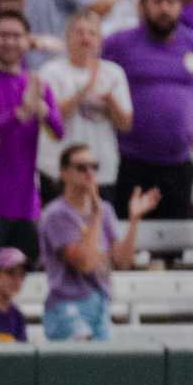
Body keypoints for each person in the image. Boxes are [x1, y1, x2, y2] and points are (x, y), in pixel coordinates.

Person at [105, 0, 193, 221]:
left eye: (171, 2)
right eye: (157, 1)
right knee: (130, 235)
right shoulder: (120, 43)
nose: (164, 8)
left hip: (177, 161)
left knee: (173, 244)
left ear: (180, 6)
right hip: (131, 159)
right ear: (143, 6)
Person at [0, 13, 59, 271]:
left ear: (28, 41)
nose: (10, 42)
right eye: (3, 35)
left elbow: (59, 132)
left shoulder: (37, 84)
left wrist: (43, 112)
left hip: (26, 204)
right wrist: (18, 115)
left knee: (26, 285)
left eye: (17, 36)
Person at [39, 140, 156, 339]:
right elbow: (85, 263)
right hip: (68, 306)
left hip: (100, 302)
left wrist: (134, 220)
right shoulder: (55, 215)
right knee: (84, 363)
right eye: (81, 167)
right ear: (64, 173)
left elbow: (122, 261)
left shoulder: (105, 210)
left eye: (94, 166)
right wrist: (95, 216)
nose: (89, 172)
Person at [40, 9, 132, 199]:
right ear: (68, 37)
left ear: (100, 40)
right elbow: (51, 119)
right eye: (79, 32)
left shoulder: (114, 73)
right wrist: (82, 92)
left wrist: (110, 101)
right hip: (59, 170)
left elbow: (125, 124)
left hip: (101, 171)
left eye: (92, 33)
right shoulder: (51, 71)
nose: (85, 38)